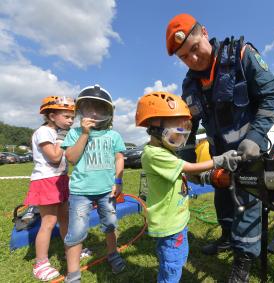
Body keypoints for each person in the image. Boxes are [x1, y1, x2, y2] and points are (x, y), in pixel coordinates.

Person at [166, 14, 274, 282]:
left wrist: (255, 135)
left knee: (247, 201)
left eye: (194, 49)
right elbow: (187, 124)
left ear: (204, 33)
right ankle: (228, 237)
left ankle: (243, 259)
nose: (193, 59)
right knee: (222, 198)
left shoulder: (241, 55)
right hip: (220, 155)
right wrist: (186, 158)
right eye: (184, 57)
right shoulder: (190, 84)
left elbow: (271, 94)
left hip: (250, 149)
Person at [135, 91, 241, 283]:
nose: (180, 138)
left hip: (176, 220)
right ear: (155, 126)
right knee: (172, 265)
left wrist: (203, 178)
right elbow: (188, 167)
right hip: (169, 224)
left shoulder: (164, 151)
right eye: (176, 132)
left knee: (176, 258)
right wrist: (218, 160)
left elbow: (182, 174)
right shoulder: (154, 154)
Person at [61, 85, 126, 283]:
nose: (95, 113)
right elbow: (71, 158)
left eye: (100, 109)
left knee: (110, 225)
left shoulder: (113, 136)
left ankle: (113, 254)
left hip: (107, 191)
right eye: (90, 108)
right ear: (81, 110)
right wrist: (84, 134)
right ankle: (73, 274)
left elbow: (119, 158)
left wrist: (118, 181)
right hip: (81, 192)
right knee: (77, 231)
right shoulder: (74, 133)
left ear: (108, 113)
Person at [23, 96, 75, 281]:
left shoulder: (59, 133)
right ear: (52, 116)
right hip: (46, 180)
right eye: (66, 116)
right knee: (49, 222)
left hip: (60, 179)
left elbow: (66, 158)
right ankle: (41, 263)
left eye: (72, 117)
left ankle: (70, 250)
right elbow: (54, 157)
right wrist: (62, 139)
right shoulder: (44, 132)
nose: (70, 120)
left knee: (65, 218)